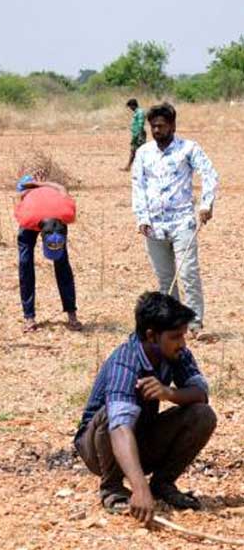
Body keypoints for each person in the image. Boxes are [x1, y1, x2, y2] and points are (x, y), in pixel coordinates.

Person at [75, 292, 216, 524]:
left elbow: (200, 394)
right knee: (113, 416)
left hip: (141, 437)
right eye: (175, 337)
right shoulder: (125, 361)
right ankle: (112, 487)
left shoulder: (178, 353)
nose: (183, 343)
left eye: (183, 335)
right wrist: (140, 488)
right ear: (151, 336)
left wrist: (168, 393)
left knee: (202, 415)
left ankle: (162, 484)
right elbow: (120, 427)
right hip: (99, 448)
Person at [132, 102, 218, 337]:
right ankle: (172, 325)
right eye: (153, 127)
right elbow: (138, 186)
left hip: (183, 223)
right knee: (165, 278)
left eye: (160, 126)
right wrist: (142, 217)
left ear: (172, 125)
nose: (156, 131)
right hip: (153, 226)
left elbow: (210, 174)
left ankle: (195, 324)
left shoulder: (188, 149)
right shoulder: (143, 153)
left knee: (188, 272)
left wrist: (206, 204)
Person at [14, 174, 82, 332]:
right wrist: (32, 188)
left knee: (63, 264)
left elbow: (60, 187)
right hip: (31, 214)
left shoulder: (66, 214)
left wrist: (41, 184)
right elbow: (20, 196)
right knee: (25, 265)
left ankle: (71, 313)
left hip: (53, 216)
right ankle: (29, 317)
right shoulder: (26, 217)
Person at [121, 98, 146, 172]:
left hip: (139, 135)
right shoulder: (137, 112)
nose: (130, 108)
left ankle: (133, 167)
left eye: (130, 106)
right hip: (136, 134)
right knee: (134, 151)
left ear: (133, 105)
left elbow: (140, 125)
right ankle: (128, 166)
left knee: (140, 151)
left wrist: (137, 136)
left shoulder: (140, 112)